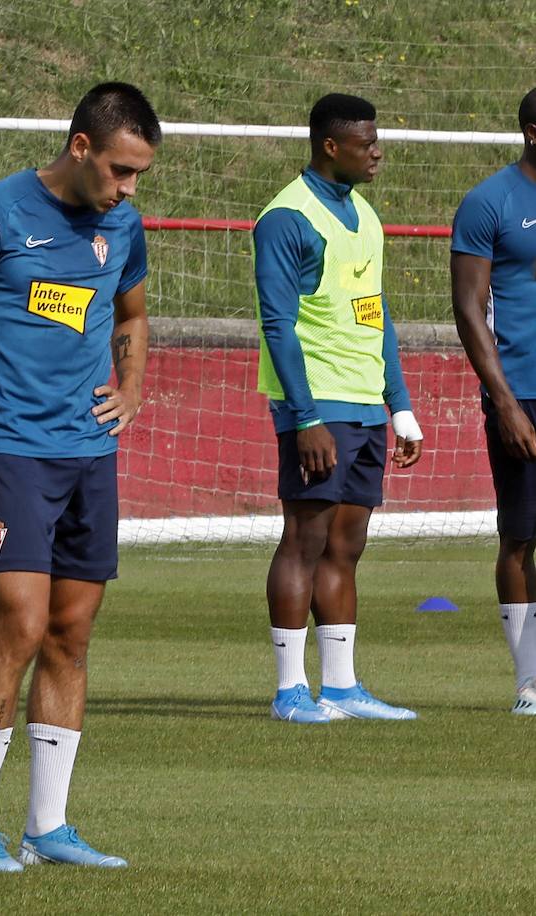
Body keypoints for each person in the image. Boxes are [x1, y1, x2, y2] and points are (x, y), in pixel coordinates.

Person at [0, 82, 159, 872]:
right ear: (81, 147)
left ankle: (49, 826)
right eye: (122, 171)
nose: (129, 190)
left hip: (90, 453)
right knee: (20, 628)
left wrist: (129, 388)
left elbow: (130, 314)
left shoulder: (123, 224)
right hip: (12, 448)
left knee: (72, 634)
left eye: (140, 177)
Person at [254, 93, 424, 725]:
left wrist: (400, 406)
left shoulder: (366, 215)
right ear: (331, 146)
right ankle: (290, 689)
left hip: (365, 406)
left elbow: (376, 316)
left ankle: (344, 686)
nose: (377, 151)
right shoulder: (286, 219)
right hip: (317, 405)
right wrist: (304, 418)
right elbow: (277, 324)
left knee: (347, 546)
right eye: (366, 142)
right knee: (304, 539)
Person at [450, 87, 536, 717]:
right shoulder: (489, 202)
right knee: (522, 536)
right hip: (524, 391)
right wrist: (502, 401)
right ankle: (530, 682)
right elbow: (468, 307)